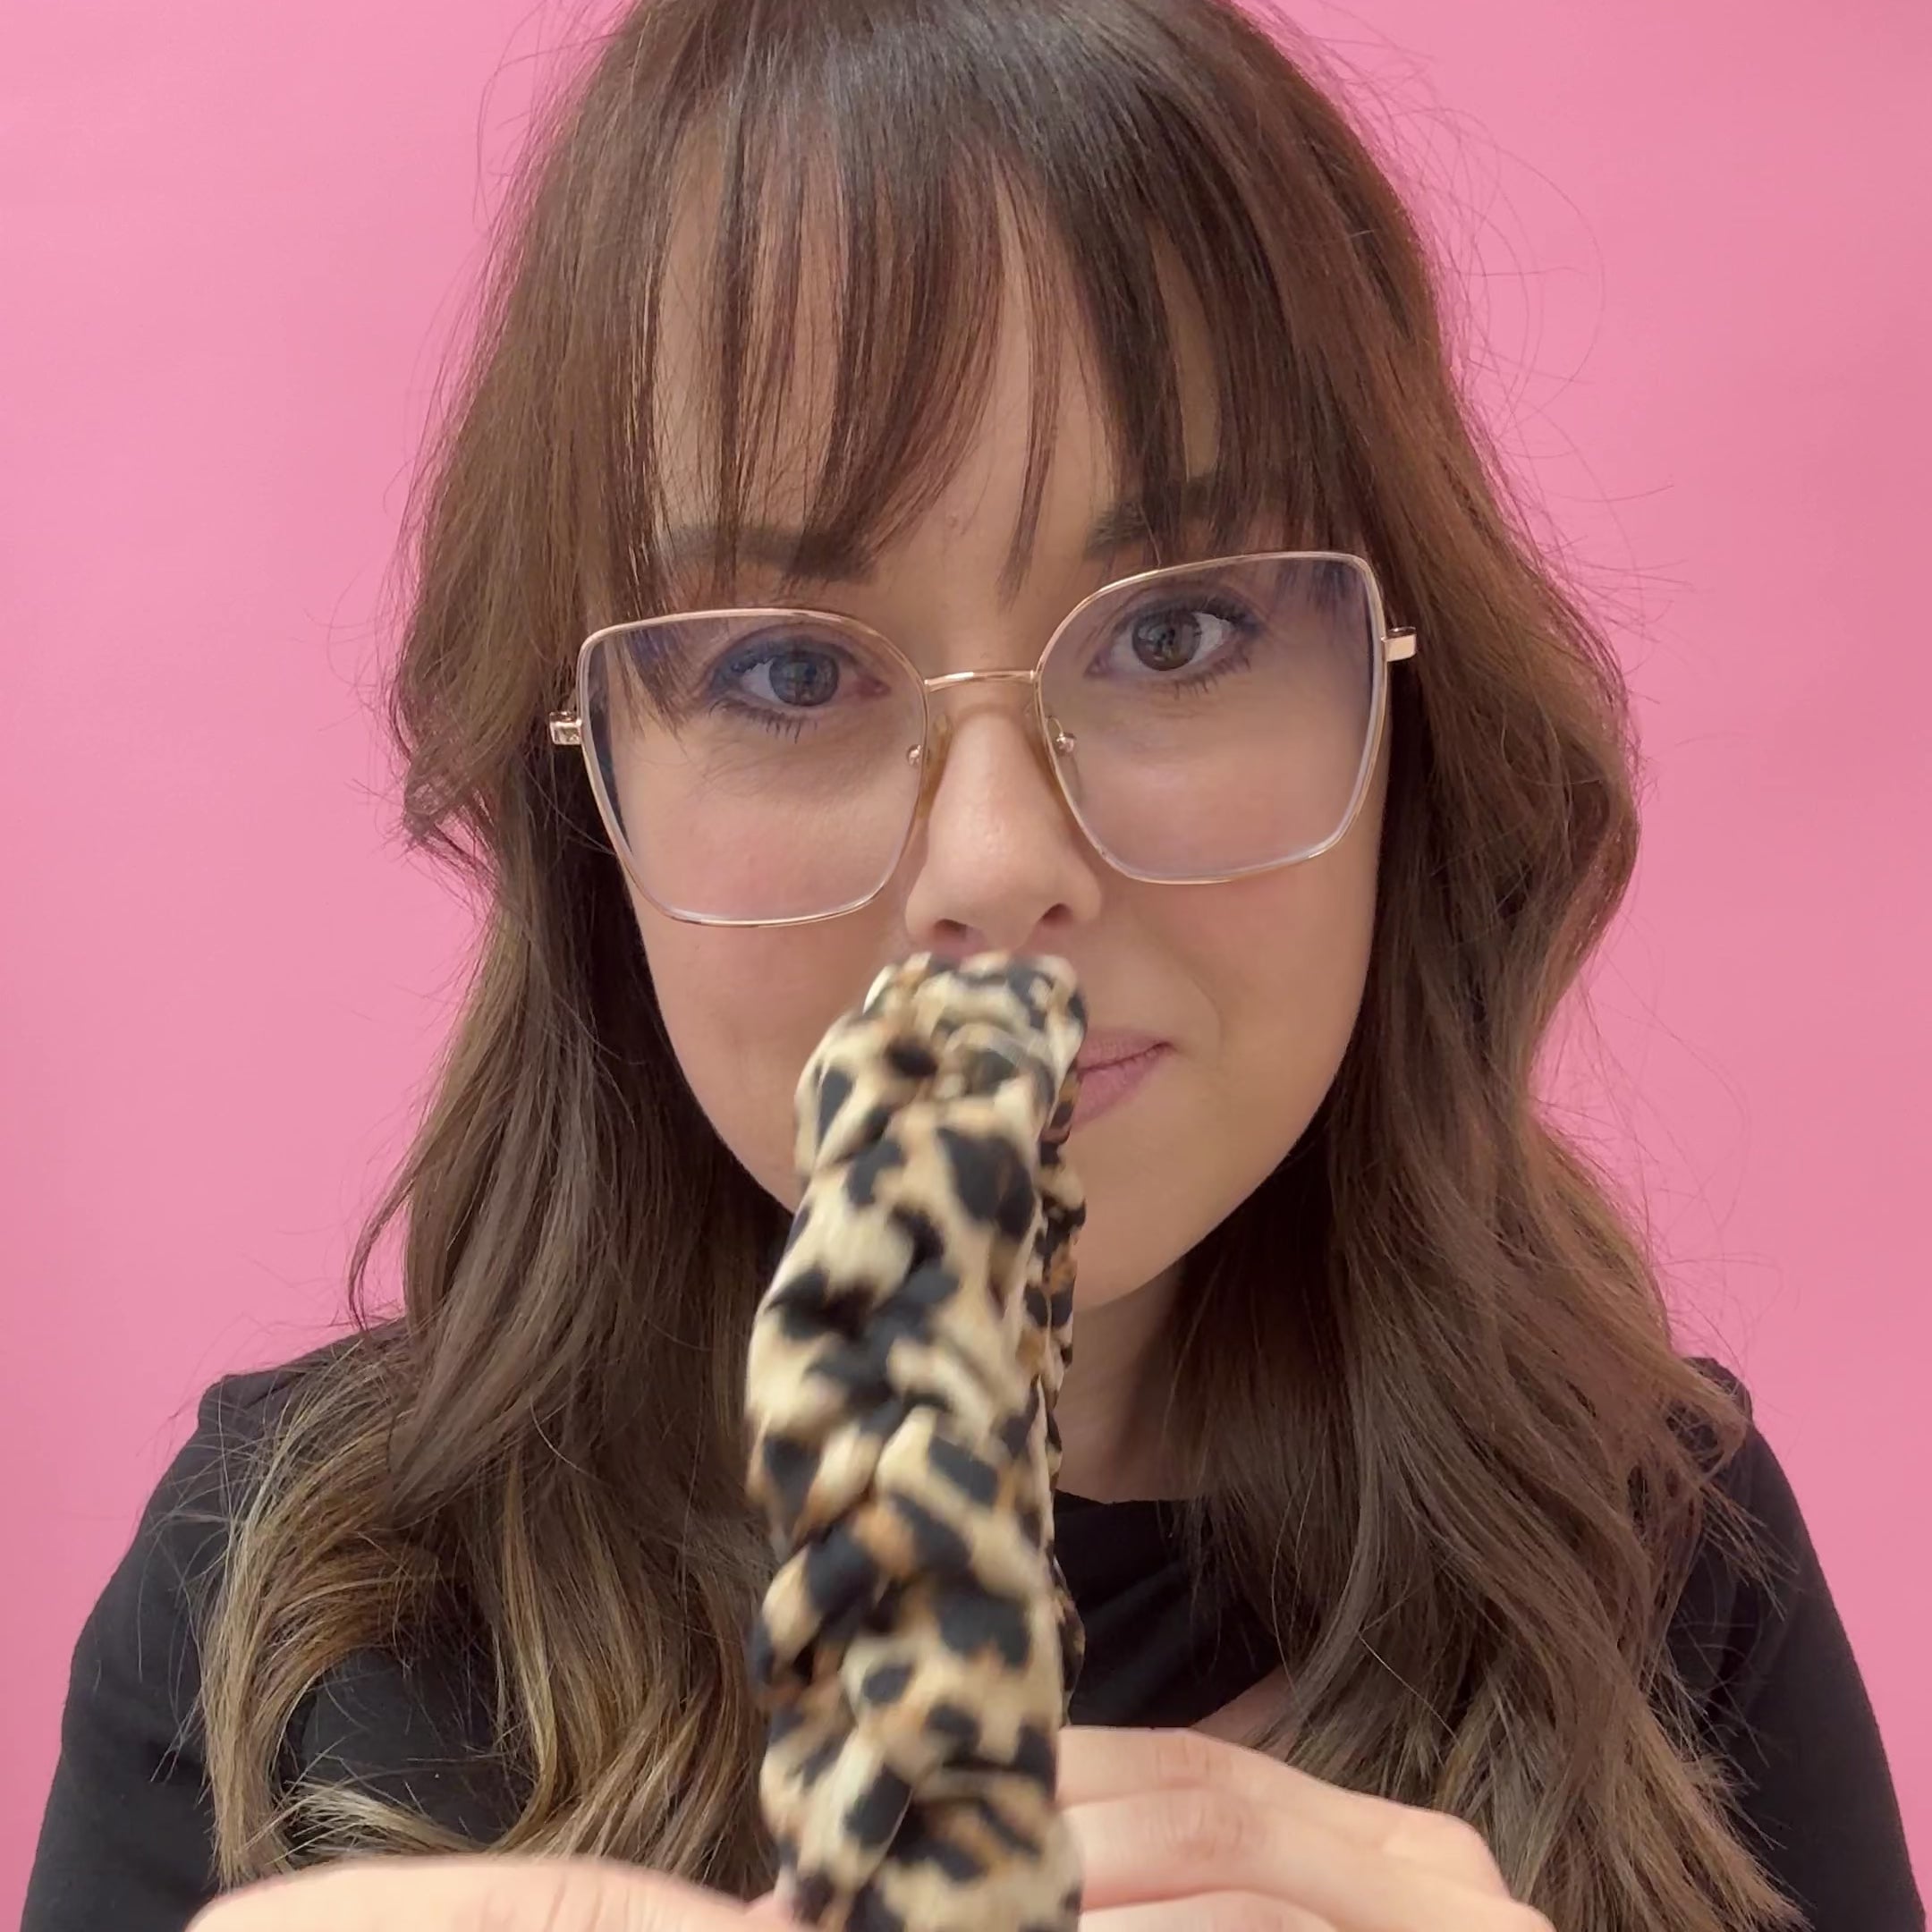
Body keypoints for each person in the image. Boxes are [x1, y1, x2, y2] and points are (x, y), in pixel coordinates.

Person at [22, 1, 1922, 1928]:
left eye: (1179, 634)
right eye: (785, 670)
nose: (998, 868)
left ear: (1398, 711)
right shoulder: (277, 1606)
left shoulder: (1665, 1567)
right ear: (588, 795)